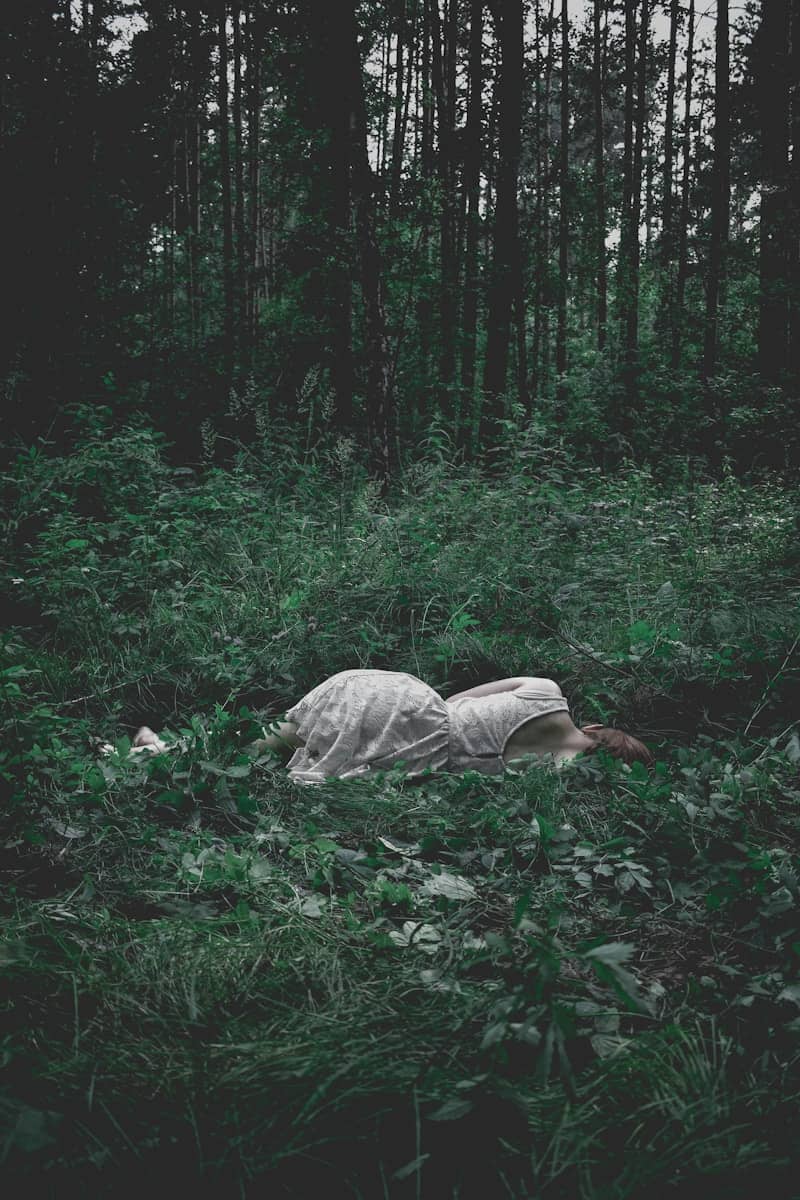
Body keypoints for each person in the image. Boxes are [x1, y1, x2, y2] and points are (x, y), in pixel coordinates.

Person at [129, 669, 651, 784]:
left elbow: (459, 700)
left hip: (410, 702)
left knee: (272, 737)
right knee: (269, 751)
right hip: (418, 752)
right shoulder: (556, 774)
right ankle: (164, 754)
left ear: (602, 728)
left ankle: (167, 750)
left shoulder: (545, 690)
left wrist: (409, 716)